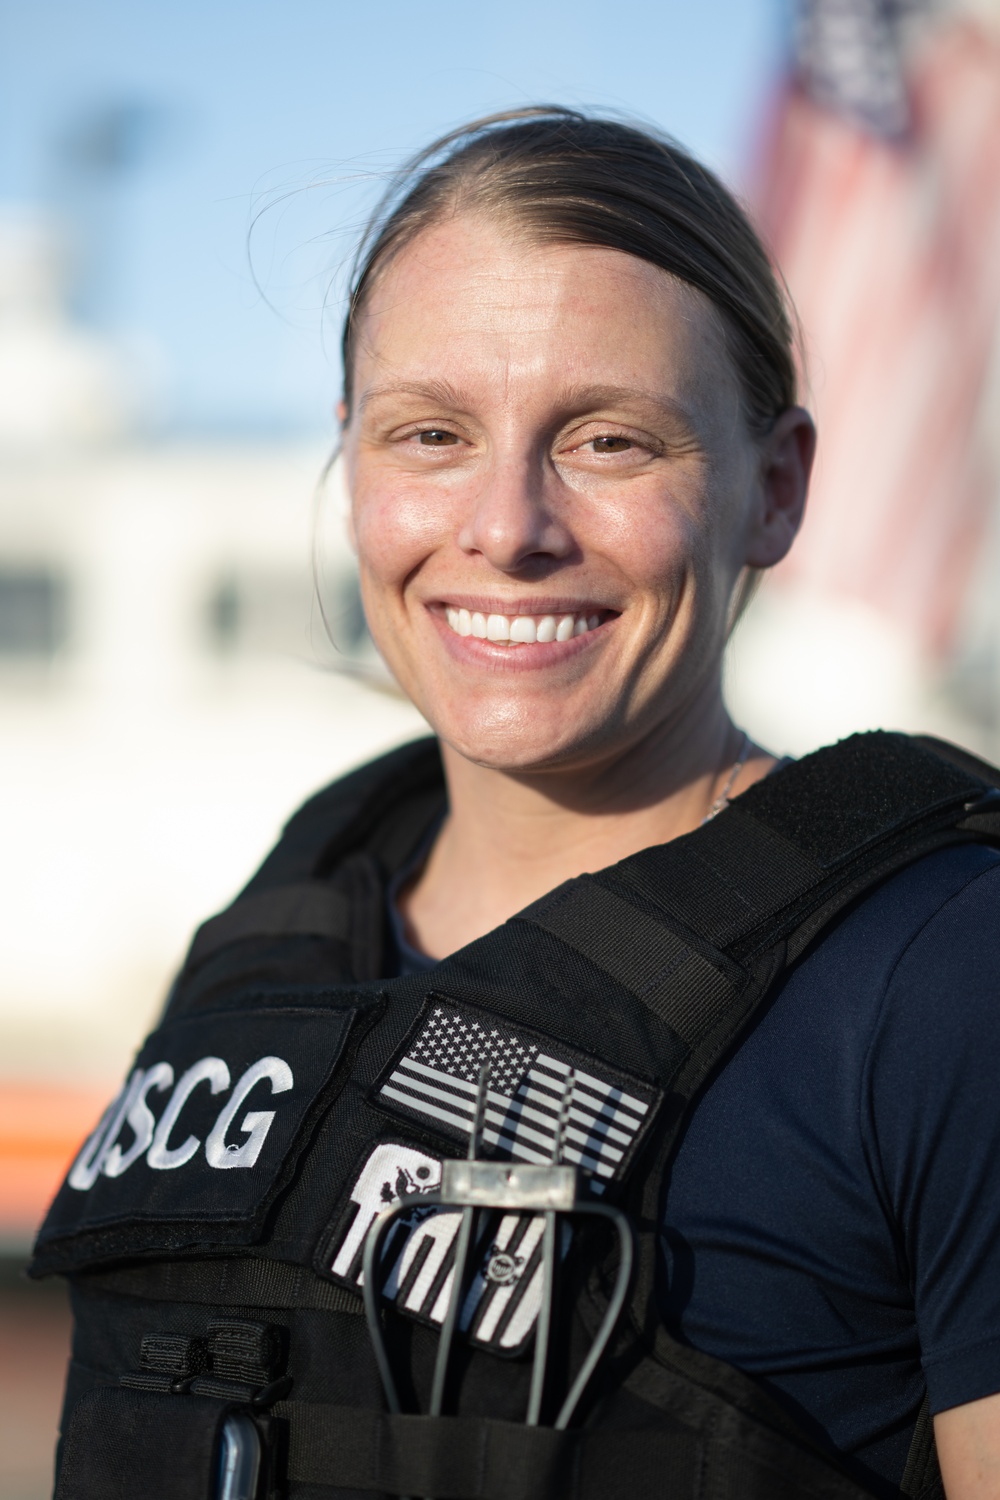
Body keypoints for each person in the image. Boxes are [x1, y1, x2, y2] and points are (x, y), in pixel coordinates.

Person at [35, 108, 1000, 1500]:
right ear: (354, 458)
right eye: (430, 433)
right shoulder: (280, 927)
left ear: (774, 491)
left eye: (609, 441)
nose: (506, 527)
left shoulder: (945, 976)